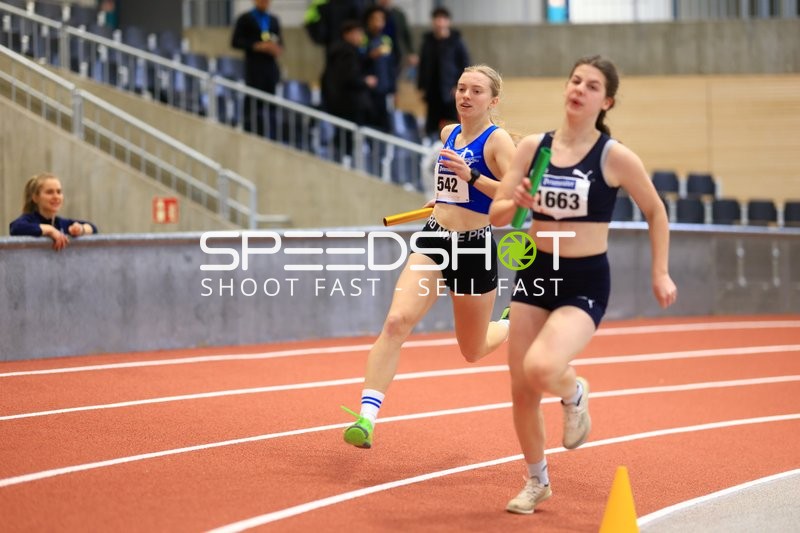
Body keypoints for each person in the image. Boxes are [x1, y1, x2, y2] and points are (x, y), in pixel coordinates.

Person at [488, 55, 678, 514]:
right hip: (535, 271)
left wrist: (660, 271)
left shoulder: (614, 157)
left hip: (584, 280)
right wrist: (515, 200)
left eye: (591, 86)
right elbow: (497, 216)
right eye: (575, 80)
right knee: (522, 387)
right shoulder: (535, 147)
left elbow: (656, 211)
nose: (579, 89)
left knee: (541, 366)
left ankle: (574, 394)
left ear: (605, 100)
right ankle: (537, 480)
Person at [341, 65, 517, 449]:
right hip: (435, 239)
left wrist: (470, 177)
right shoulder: (448, 133)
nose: (465, 96)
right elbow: (453, 184)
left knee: (472, 350)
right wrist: (445, 196)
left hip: (474, 247)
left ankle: (509, 323)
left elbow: (513, 197)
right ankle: (366, 419)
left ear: (493, 100)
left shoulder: (498, 142)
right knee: (395, 322)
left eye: (476, 91)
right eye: (461, 88)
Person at [320, 19, 377, 159]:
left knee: (344, 140)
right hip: (348, 106)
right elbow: (349, 78)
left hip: (340, 104)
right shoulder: (346, 53)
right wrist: (366, 81)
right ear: (347, 34)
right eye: (358, 33)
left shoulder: (343, 52)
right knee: (346, 143)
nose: (361, 37)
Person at [231, 0, 283, 137]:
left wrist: (275, 48)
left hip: (270, 68)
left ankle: (271, 134)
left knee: (270, 103)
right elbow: (236, 42)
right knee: (253, 101)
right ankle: (250, 131)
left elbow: (281, 43)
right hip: (253, 68)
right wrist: (257, 46)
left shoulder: (273, 20)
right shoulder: (245, 18)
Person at [417, 7, 470, 139]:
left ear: (448, 22)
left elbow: (465, 65)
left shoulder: (456, 42)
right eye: (437, 19)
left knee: (453, 125)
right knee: (431, 126)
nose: (440, 22)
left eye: (443, 19)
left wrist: (459, 86)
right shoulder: (427, 42)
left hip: (451, 92)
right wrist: (421, 86)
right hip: (432, 92)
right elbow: (422, 65)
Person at [9, 173, 98, 251]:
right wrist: (50, 230)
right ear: (35, 198)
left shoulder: (61, 223)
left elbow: (93, 228)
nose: (56, 197)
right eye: (49, 192)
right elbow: (15, 228)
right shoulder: (29, 219)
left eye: (59, 192)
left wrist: (80, 229)